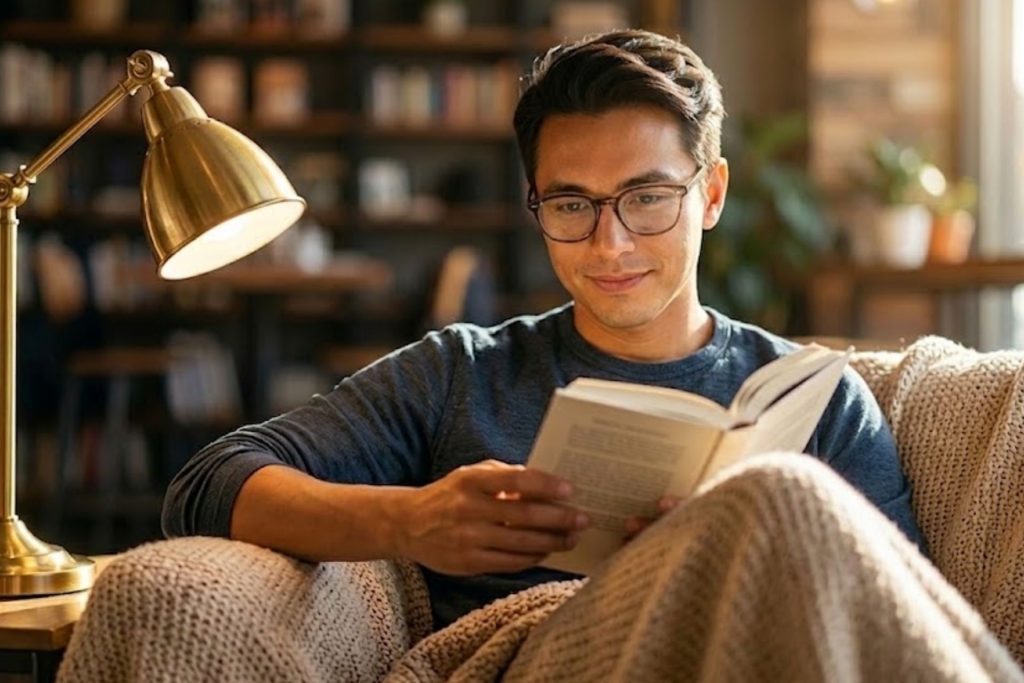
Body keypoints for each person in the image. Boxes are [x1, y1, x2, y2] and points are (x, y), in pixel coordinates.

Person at [162, 29, 922, 634]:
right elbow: (207, 484)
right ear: (536, 205)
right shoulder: (462, 372)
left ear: (711, 193)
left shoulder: (816, 399)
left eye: (647, 197)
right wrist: (409, 521)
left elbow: (898, 617)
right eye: (571, 204)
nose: (610, 243)